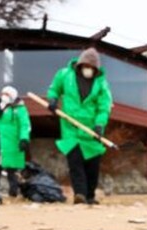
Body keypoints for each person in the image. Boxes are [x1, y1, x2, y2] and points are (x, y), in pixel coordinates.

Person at [46, 47, 113, 205]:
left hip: (91, 130)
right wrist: (53, 100)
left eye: (91, 68)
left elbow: (104, 106)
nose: (88, 70)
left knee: (92, 166)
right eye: (86, 66)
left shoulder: (101, 83)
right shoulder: (65, 75)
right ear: (80, 65)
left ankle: (90, 195)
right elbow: (54, 89)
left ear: (96, 69)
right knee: (75, 162)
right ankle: (80, 195)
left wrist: (99, 124)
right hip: (71, 127)